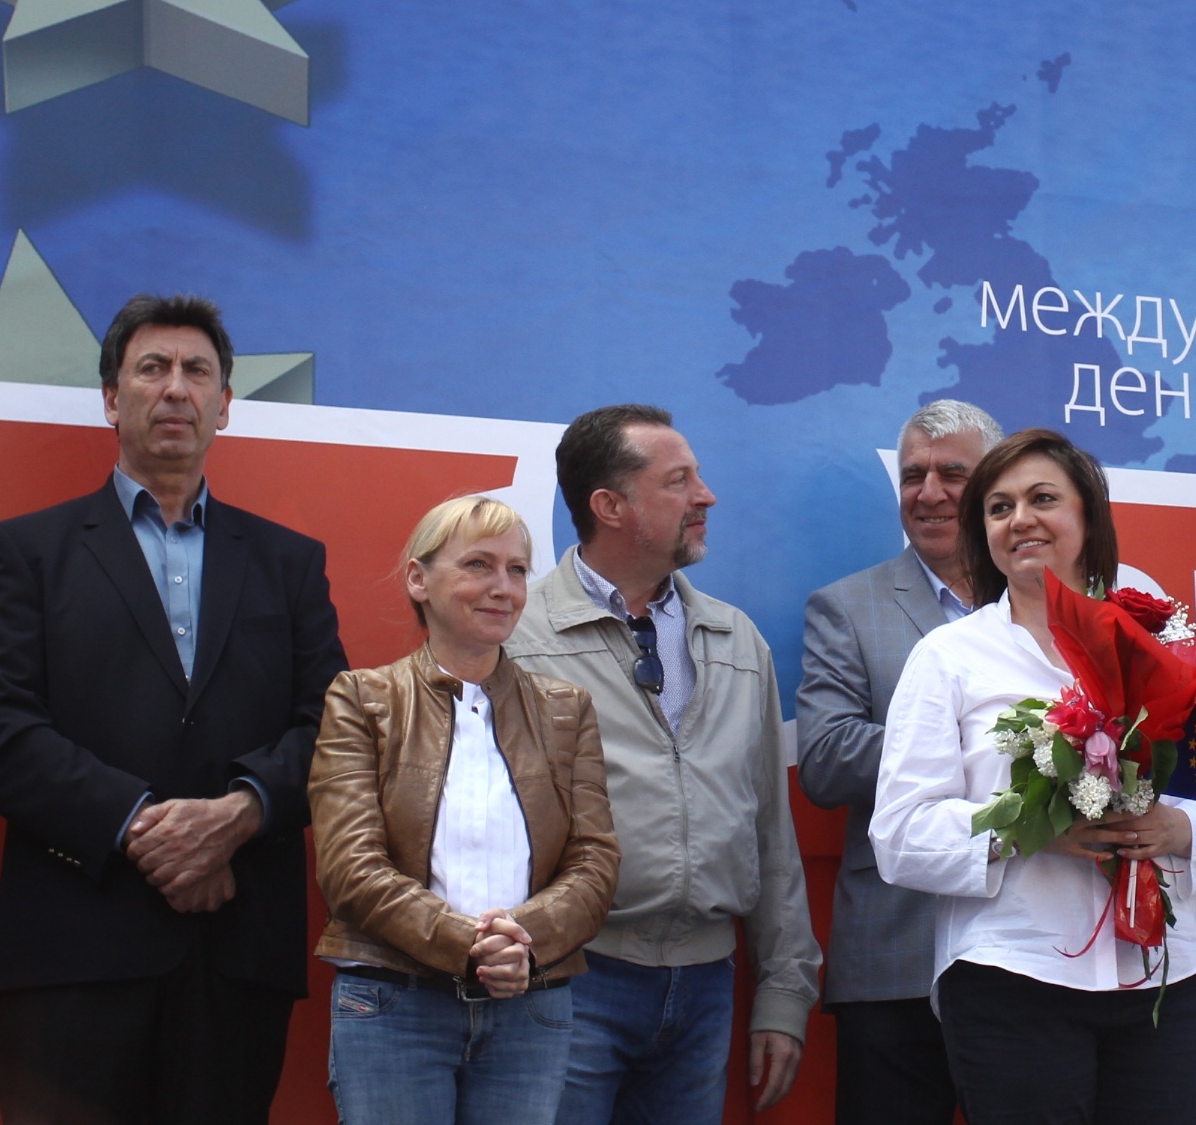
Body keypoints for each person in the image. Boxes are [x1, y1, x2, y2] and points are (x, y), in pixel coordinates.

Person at [0, 293, 348, 1124]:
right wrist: (146, 827)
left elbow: (334, 730)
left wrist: (238, 816)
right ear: (111, 398)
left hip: (234, 952)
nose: (176, 388)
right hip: (73, 951)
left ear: (224, 405)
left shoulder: (288, 563)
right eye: (152, 368)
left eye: (197, 371)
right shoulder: (27, 552)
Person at [870, 428, 1196, 1125]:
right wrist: (1031, 830)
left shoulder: (1168, 646)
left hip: (1161, 975)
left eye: (1042, 499)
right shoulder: (948, 657)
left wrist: (1175, 826)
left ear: (1089, 517)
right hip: (1013, 976)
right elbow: (900, 834)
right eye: (999, 508)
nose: (1019, 519)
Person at [507, 404, 822, 1122]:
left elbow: (770, 832)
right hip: (567, 981)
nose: (706, 496)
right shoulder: (518, 639)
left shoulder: (736, 639)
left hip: (707, 988)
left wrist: (783, 992)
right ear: (610, 506)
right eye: (679, 481)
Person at [310, 495, 620, 1123]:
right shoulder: (362, 699)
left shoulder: (567, 709)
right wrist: (476, 948)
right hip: (395, 1005)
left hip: (530, 1009)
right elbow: (349, 868)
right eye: (478, 564)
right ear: (418, 580)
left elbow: (595, 862)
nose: (503, 587)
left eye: (517, 569)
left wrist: (524, 942)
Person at [797, 398, 1002, 1125]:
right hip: (896, 957)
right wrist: (992, 744)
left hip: (1035, 950)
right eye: (914, 475)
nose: (929, 493)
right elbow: (825, 759)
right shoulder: (847, 608)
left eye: (953, 474)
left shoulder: (1057, 606)